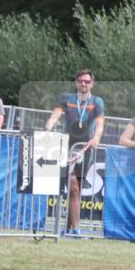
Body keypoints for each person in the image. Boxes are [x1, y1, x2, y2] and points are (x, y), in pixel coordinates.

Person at [43, 69, 106, 236]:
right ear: (76, 83)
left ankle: (71, 228)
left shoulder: (97, 101)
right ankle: (74, 229)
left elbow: (100, 123)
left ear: (91, 84)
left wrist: (97, 137)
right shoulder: (66, 98)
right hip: (64, 146)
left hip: (85, 148)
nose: (83, 84)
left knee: (75, 187)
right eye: (80, 81)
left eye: (87, 81)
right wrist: (47, 128)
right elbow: (54, 116)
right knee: (72, 187)